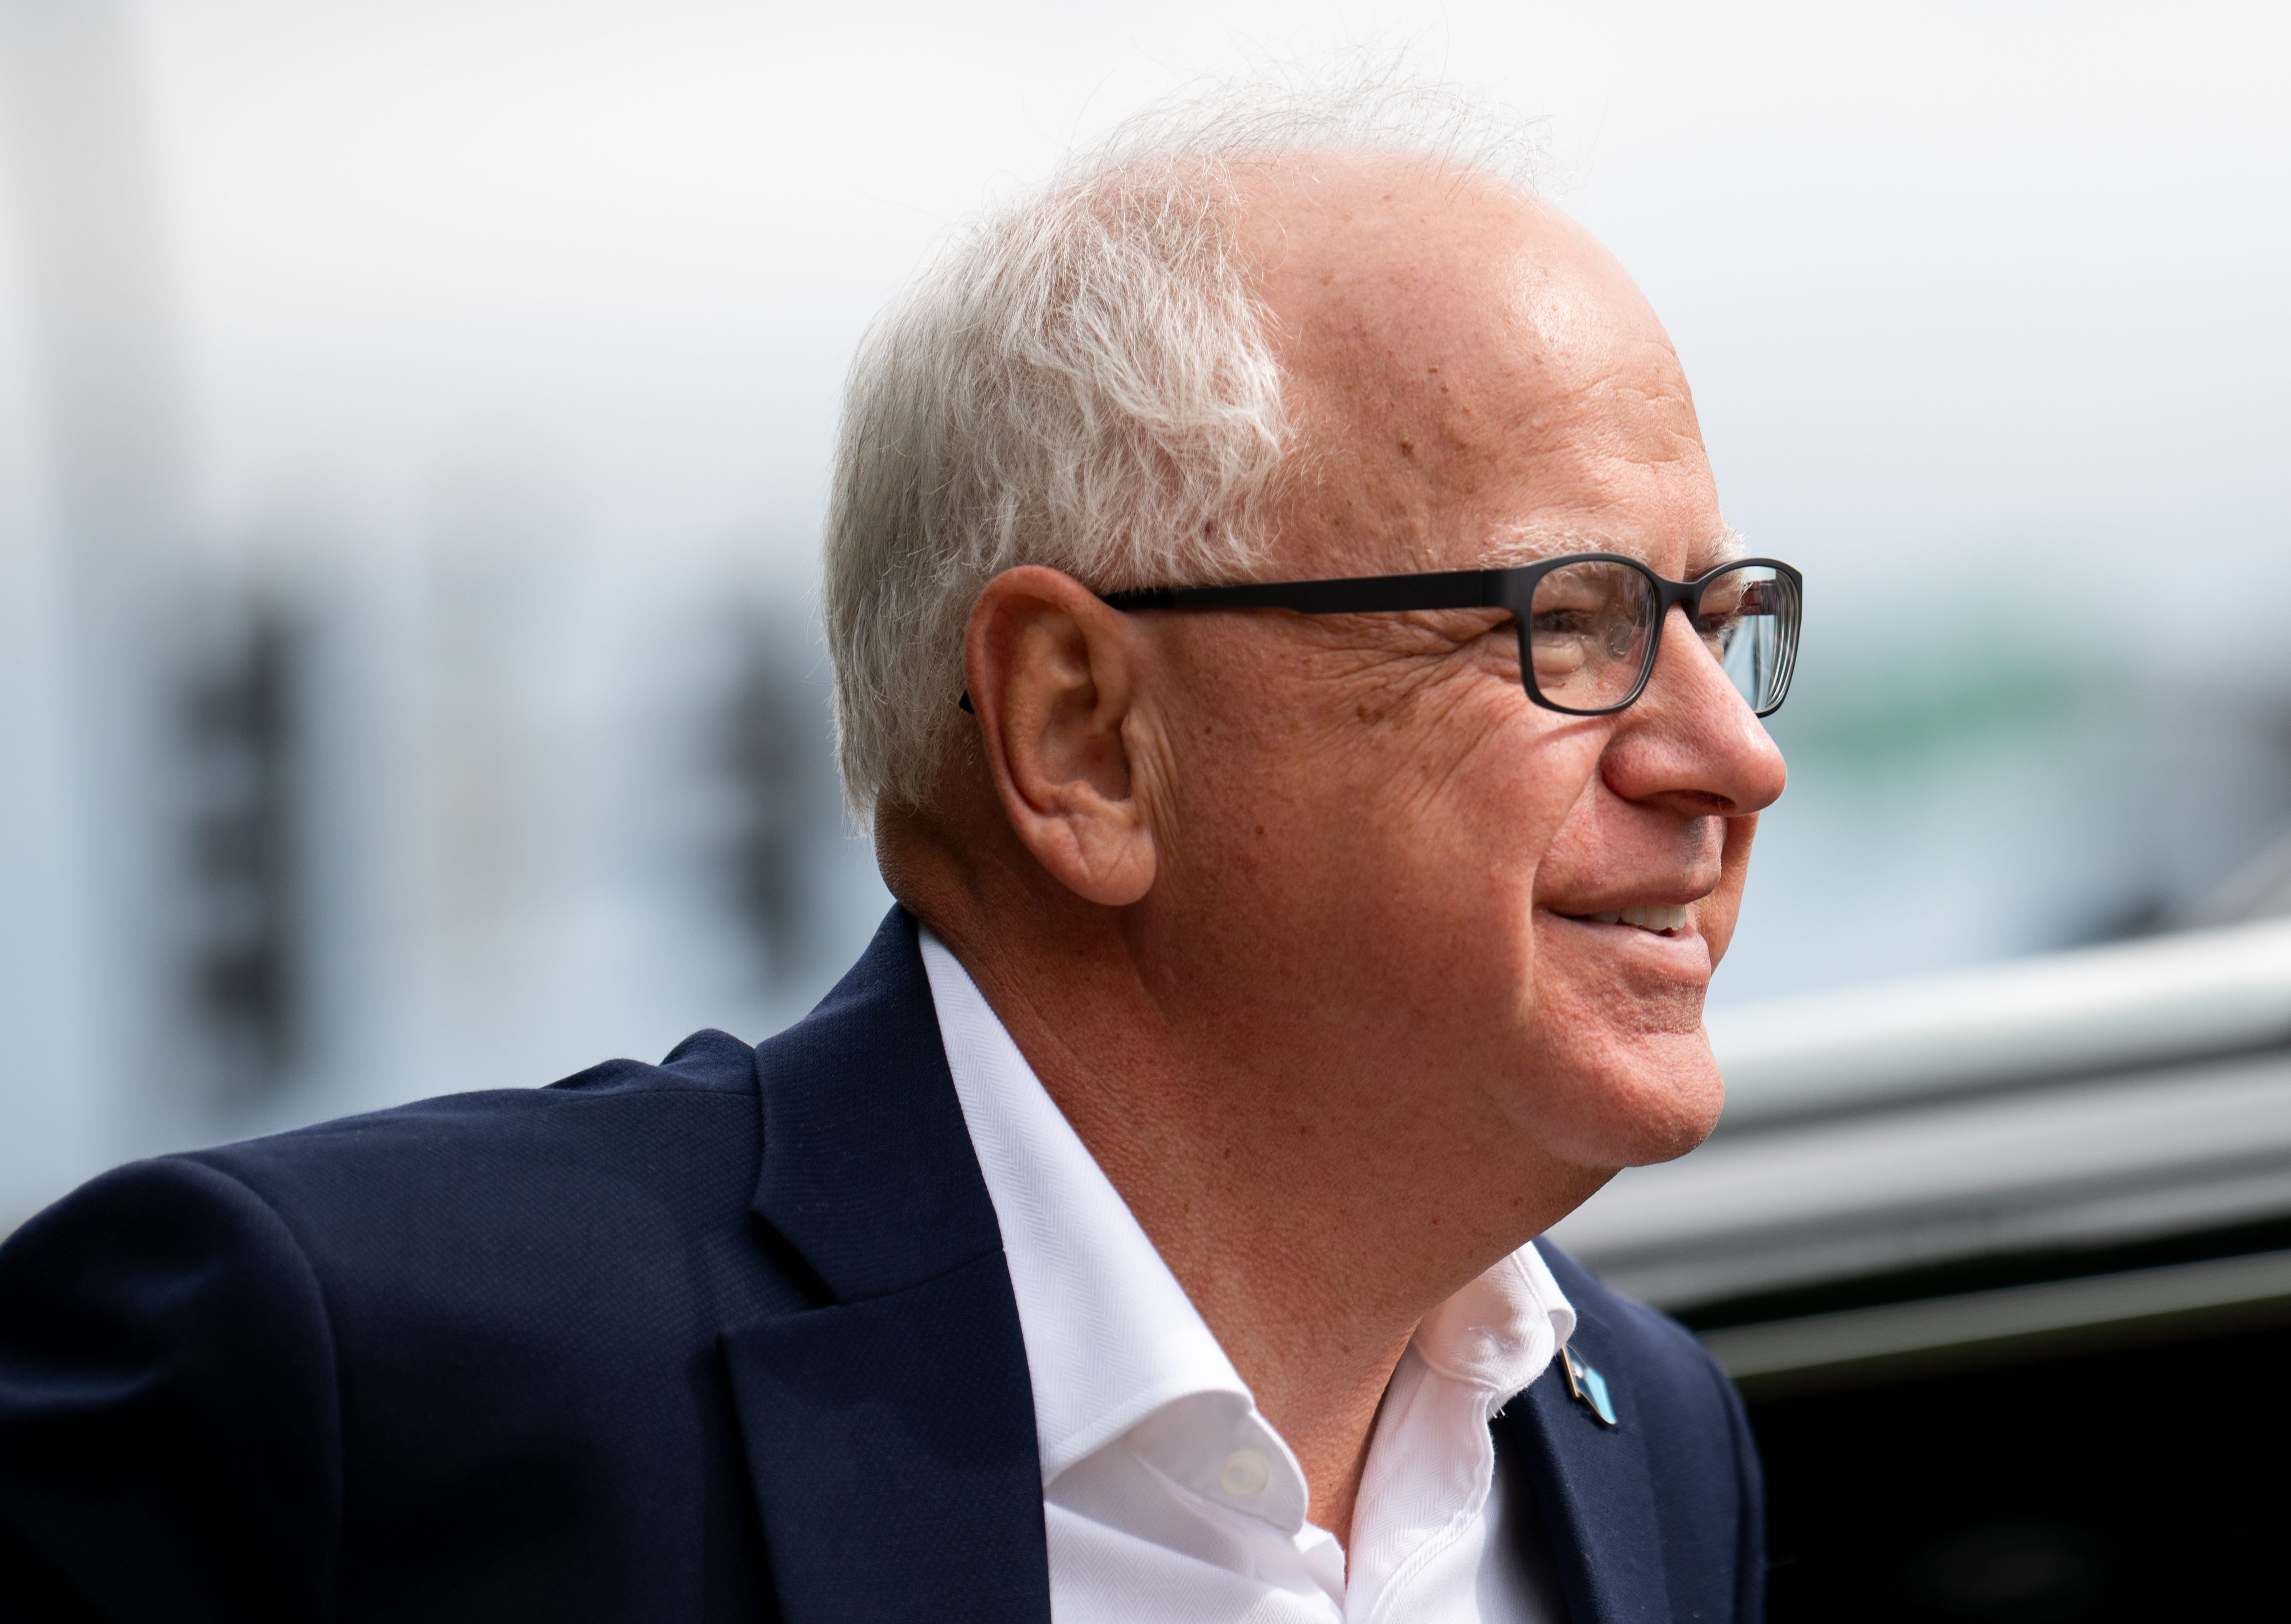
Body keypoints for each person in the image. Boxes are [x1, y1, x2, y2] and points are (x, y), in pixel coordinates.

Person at [0, 85, 1799, 1624]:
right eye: (1579, 621)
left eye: (1721, 618)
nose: (1735, 757)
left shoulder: (1643, 1447)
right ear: (1083, 735)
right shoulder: (344, 1393)